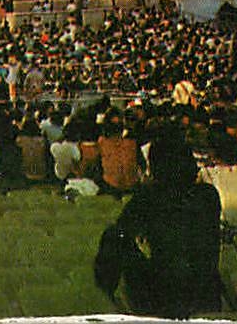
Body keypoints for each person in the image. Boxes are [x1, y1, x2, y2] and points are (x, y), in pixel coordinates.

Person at [94, 127, 222, 317]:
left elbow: (119, 234)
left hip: (164, 295)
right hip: (205, 291)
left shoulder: (148, 197)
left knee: (114, 236)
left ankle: (109, 299)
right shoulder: (208, 195)